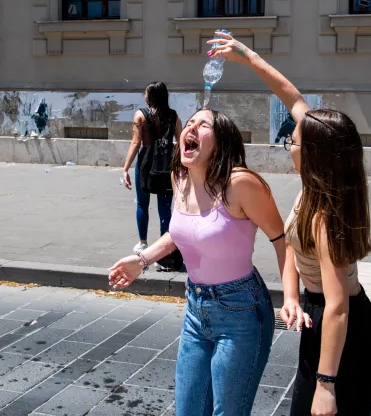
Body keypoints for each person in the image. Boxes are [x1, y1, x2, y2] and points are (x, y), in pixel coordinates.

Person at [207, 32, 371, 415]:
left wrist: (326, 385)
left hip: (346, 332)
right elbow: (292, 97)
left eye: (294, 141)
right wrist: (247, 56)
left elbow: (338, 306)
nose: (290, 144)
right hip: (321, 317)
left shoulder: (324, 217)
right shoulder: (321, 183)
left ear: (316, 155)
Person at [109, 104, 287, 415]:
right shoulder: (181, 177)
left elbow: (281, 238)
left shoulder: (240, 183)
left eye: (202, 125)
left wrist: (290, 297)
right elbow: (183, 231)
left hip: (241, 310)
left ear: (221, 142)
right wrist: (143, 259)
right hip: (196, 307)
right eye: (189, 123)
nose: (190, 128)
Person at [121, 82, 183, 268]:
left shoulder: (141, 115)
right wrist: (182, 167)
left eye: (146, 92)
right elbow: (180, 142)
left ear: (152, 96)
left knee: (142, 203)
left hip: (146, 163)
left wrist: (125, 168)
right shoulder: (173, 116)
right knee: (165, 207)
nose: (144, 95)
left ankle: (143, 243)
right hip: (166, 163)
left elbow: (135, 143)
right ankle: (165, 249)